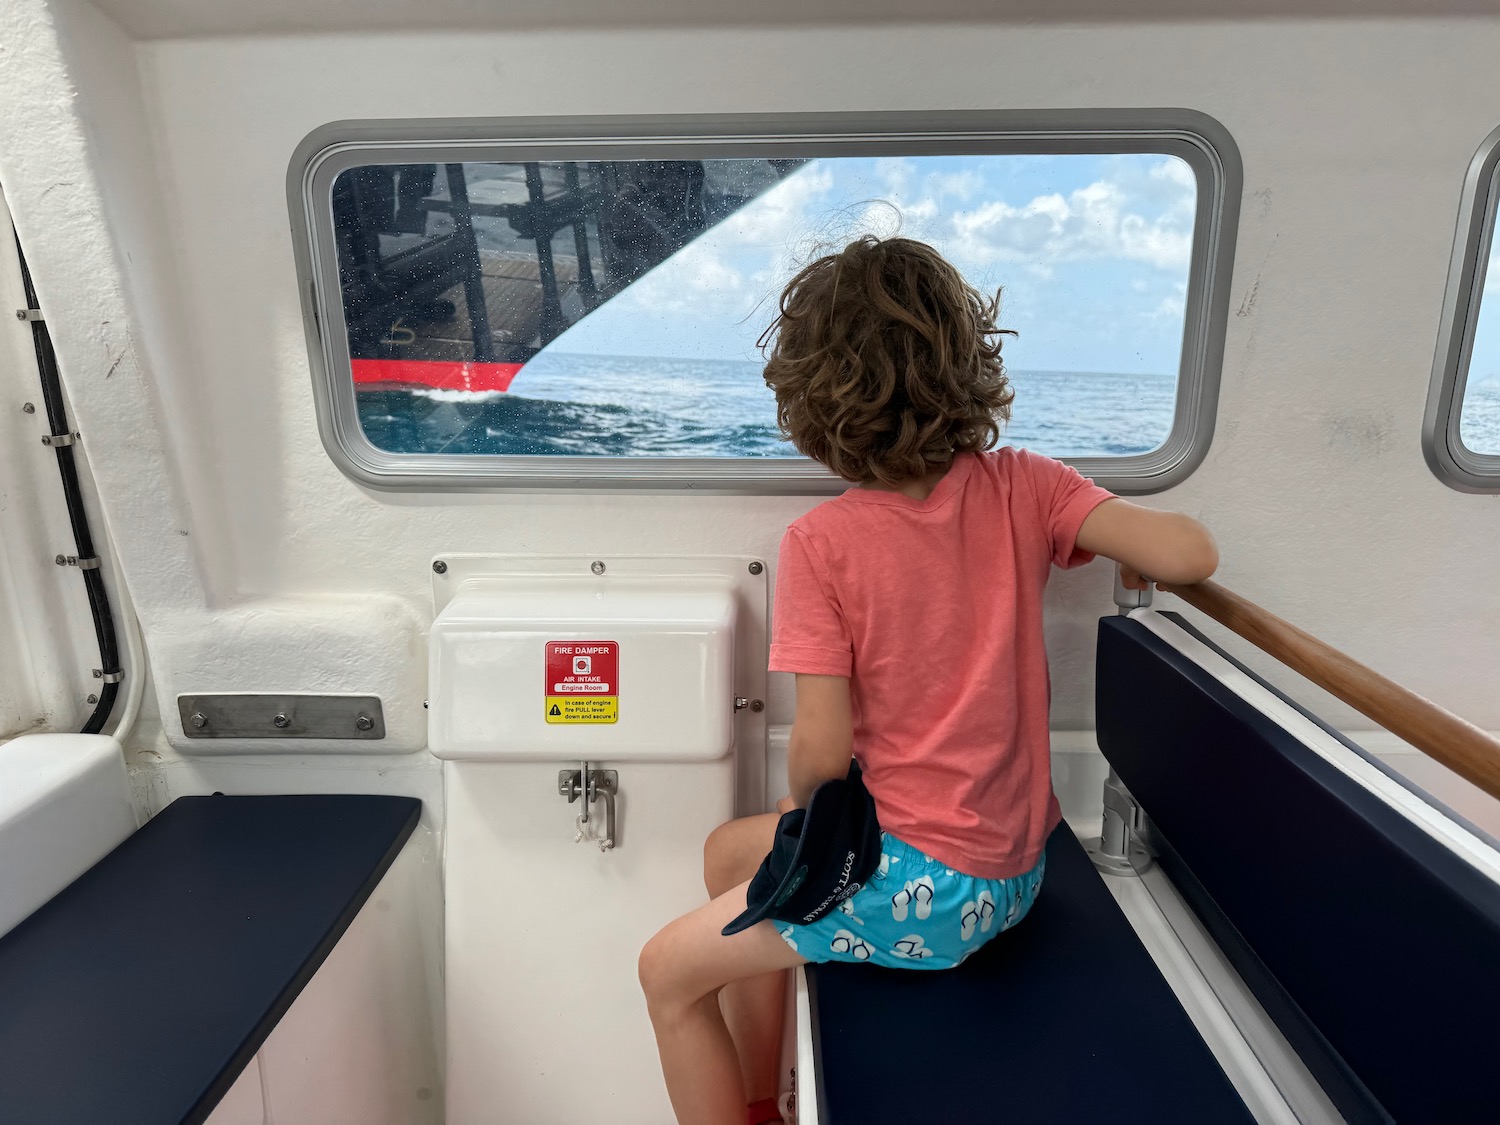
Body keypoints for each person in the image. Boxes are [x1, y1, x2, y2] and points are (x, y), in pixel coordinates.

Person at [638, 236, 1218, 1125]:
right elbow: (1188, 552)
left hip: (932, 892)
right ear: (963, 365)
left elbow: (823, 753)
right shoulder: (1026, 484)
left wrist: (816, 830)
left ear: (811, 398)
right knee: (729, 852)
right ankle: (771, 1097)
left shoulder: (823, 544)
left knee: (667, 972)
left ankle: (751, 1102)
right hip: (1017, 870)